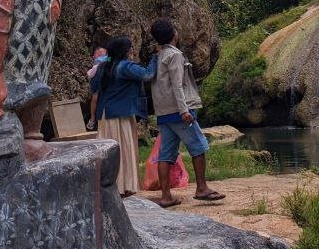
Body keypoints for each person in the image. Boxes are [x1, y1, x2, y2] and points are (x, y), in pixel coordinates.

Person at [149, 18, 223, 206]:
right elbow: (177, 84)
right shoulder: (175, 55)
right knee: (198, 147)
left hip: (163, 112)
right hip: (178, 111)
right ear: (174, 34)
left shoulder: (158, 55)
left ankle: (166, 196)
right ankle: (201, 188)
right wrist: (184, 110)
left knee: (165, 153)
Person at [88, 36, 155, 197]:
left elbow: (94, 87)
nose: (132, 50)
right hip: (121, 114)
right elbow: (147, 74)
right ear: (125, 51)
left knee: (108, 152)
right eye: (130, 47)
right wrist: (155, 58)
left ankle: (109, 185)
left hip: (105, 115)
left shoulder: (102, 67)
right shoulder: (126, 67)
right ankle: (124, 186)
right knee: (125, 150)